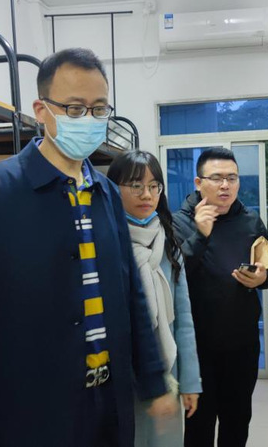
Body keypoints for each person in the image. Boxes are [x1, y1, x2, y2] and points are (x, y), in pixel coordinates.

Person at [0, 48, 174, 447]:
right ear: (41, 111)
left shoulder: (106, 193)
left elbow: (131, 295)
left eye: (99, 109)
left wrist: (153, 379)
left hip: (108, 403)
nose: (89, 119)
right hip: (33, 412)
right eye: (74, 108)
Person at [172, 148, 268, 447]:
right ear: (198, 182)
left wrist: (262, 278)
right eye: (217, 178)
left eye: (232, 178)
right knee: (199, 425)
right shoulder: (180, 222)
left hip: (242, 344)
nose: (225, 185)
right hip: (198, 346)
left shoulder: (250, 221)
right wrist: (201, 234)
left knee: (237, 421)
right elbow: (174, 275)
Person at [107, 151, 203, 447]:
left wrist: (190, 381)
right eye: (136, 186)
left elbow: (183, 319)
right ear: (113, 188)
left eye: (153, 186)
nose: (147, 194)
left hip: (165, 372)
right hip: (120, 375)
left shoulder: (168, 242)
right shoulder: (105, 242)